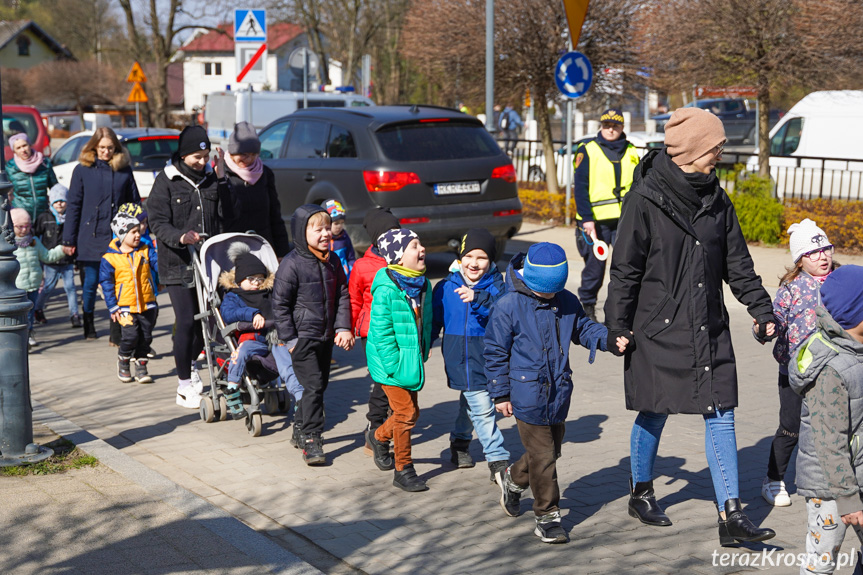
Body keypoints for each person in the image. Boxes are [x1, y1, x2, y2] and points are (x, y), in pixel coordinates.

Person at [604, 107, 777, 546]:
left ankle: (731, 515)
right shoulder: (644, 199)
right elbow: (624, 270)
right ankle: (641, 490)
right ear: (694, 149)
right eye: (715, 147)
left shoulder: (717, 198)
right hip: (658, 329)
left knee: (721, 413)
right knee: (655, 409)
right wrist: (616, 325)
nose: (720, 153)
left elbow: (738, 264)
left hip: (708, 324)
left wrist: (762, 311)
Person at [485, 242, 624, 543]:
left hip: (558, 393)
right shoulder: (508, 305)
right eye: (542, 290)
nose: (548, 296)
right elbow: (495, 351)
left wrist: (609, 340)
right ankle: (547, 517)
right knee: (545, 456)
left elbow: (584, 328)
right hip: (525, 394)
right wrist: (500, 394)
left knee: (548, 452)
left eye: (553, 290)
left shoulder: (566, 300)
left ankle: (512, 480)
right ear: (530, 279)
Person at [148, 126, 233, 409]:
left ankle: (195, 363)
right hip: (178, 264)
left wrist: (221, 179)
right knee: (185, 321)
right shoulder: (167, 180)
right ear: (184, 154)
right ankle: (184, 385)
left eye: (206, 156)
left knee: (207, 323)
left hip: (208, 264)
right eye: (197, 156)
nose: (202, 161)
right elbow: (157, 222)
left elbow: (227, 217)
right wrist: (181, 237)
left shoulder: (212, 178)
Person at [790, 265, 863, 575]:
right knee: (822, 562)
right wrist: (848, 499)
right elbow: (829, 443)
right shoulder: (832, 372)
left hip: (856, 472)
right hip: (830, 490)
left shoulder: (857, 351)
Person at [761, 219, 839, 507]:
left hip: (832, 369)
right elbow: (776, 316)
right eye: (813, 253)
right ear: (799, 260)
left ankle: (827, 481)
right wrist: (766, 328)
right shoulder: (792, 287)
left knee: (829, 427)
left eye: (826, 249)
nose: (823, 257)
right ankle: (773, 478)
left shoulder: (840, 281)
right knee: (791, 426)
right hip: (793, 370)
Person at [273, 204, 353, 465]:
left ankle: (299, 427)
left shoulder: (333, 261)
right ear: (300, 232)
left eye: (327, 228)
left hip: (326, 336)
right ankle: (312, 438)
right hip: (303, 339)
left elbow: (342, 293)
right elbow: (280, 305)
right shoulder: (292, 264)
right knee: (314, 387)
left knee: (318, 387)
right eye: (317, 229)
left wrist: (343, 327)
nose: (325, 234)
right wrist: (291, 340)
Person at [431, 228, 509, 479]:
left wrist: (478, 298)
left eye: (482, 258)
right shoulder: (445, 286)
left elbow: (503, 312)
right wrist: (425, 346)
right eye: (469, 256)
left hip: (488, 356)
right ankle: (498, 460)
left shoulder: (499, 286)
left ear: (491, 261)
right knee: (482, 407)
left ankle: (460, 442)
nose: (474, 263)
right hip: (458, 357)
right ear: (460, 257)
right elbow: (434, 321)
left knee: (472, 403)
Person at [364, 228, 433, 491]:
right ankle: (403, 469)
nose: (422, 249)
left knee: (412, 413)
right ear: (398, 257)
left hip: (410, 360)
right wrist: (394, 366)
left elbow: (424, 321)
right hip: (389, 364)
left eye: (420, 243)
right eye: (414, 245)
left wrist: (423, 349)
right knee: (405, 413)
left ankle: (379, 436)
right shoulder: (387, 289)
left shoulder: (422, 283)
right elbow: (381, 334)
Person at [62, 127, 140, 341]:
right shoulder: (82, 170)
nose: (106, 152)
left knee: (118, 285)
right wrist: (68, 239)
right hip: (90, 236)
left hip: (116, 237)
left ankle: (117, 331)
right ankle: (88, 321)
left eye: (110, 148)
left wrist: (140, 231)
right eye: (102, 148)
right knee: (90, 284)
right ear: (94, 147)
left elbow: (134, 203)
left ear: (116, 148)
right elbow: (74, 206)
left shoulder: (124, 170)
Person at [218, 241, 302, 419]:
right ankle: (232, 388)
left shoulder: (269, 294)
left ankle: (301, 400)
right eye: (251, 279)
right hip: (252, 341)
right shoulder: (233, 296)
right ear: (240, 279)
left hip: (275, 339)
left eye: (259, 279)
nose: (256, 283)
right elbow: (228, 314)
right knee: (241, 352)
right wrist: (252, 314)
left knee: (289, 364)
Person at [572, 109, 640, 321]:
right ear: (601, 126)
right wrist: (586, 219)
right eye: (607, 125)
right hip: (596, 223)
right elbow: (580, 188)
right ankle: (588, 307)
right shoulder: (587, 150)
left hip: (623, 220)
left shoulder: (631, 150)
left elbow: (638, 184)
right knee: (595, 267)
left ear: (622, 128)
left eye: (616, 126)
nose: (611, 129)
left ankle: (616, 312)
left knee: (623, 267)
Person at [349, 207, 401, 463]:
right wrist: (347, 330)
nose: (394, 238)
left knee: (398, 383)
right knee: (383, 382)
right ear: (377, 239)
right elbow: (354, 301)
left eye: (397, 231)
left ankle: (386, 430)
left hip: (401, 333)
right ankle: (375, 429)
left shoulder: (406, 260)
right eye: (388, 233)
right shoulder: (362, 266)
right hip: (373, 334)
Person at [99, 212, 158, 384]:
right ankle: (123, 361)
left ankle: (141, 368)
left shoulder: (146, 251)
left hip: (147, 304)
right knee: (130, 336)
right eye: (133, 232)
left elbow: (157, 264)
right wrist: (112, 307)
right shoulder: (110, 258)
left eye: (139, 231)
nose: (138, 235)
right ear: (122, 234)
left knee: (146, 337)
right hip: (124, 307)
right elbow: (107, 284)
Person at [223, 122, 290, 258]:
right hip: (232, 249)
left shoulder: (265, 174)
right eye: (243, 154)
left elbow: (275, 216)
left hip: (263, 247)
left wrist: (282, 252)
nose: (249, 159)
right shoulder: (221, 174)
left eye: (253, 154)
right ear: (232, 152)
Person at [10, 208, 66, 349]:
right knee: (19, 314)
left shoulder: (34, 241)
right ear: (12, 226)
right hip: (17, 286)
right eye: (20, 226)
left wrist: (61, 250)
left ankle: (28, 335)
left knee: (29, 313)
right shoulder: (8, 244)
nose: (24, 229)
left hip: (33, 284)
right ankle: (18, 337)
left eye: (28, 226)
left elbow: (47, 256)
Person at [33, 183, 80, 328]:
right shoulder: (44, 217)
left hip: (67, 260)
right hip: (51, 260)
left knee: (70, 287)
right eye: (56, 201)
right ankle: (38, 309)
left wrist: (76, 258)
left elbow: (76, 237)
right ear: (51, 201)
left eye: (62, 200)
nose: (59, 204)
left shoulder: (72, 218)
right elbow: (36, 234)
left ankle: (74, 314)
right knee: (48, 287)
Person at [6, 132, 58, 222]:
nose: (23, 150)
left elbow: (55, 187)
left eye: (24, 145)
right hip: (21, 217)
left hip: (43, 214)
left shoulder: (44, 163)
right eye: (18, 148)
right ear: (14, 151)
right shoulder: (10, 167)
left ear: (30, 145)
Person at [323, 199, 355, 280]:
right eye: (336, 223)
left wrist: (350, 271)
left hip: (345, 276)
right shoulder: (323, 240)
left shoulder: (344, 237)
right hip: (328, 277)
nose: (339, 226)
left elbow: (350, 257)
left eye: (342, 223)